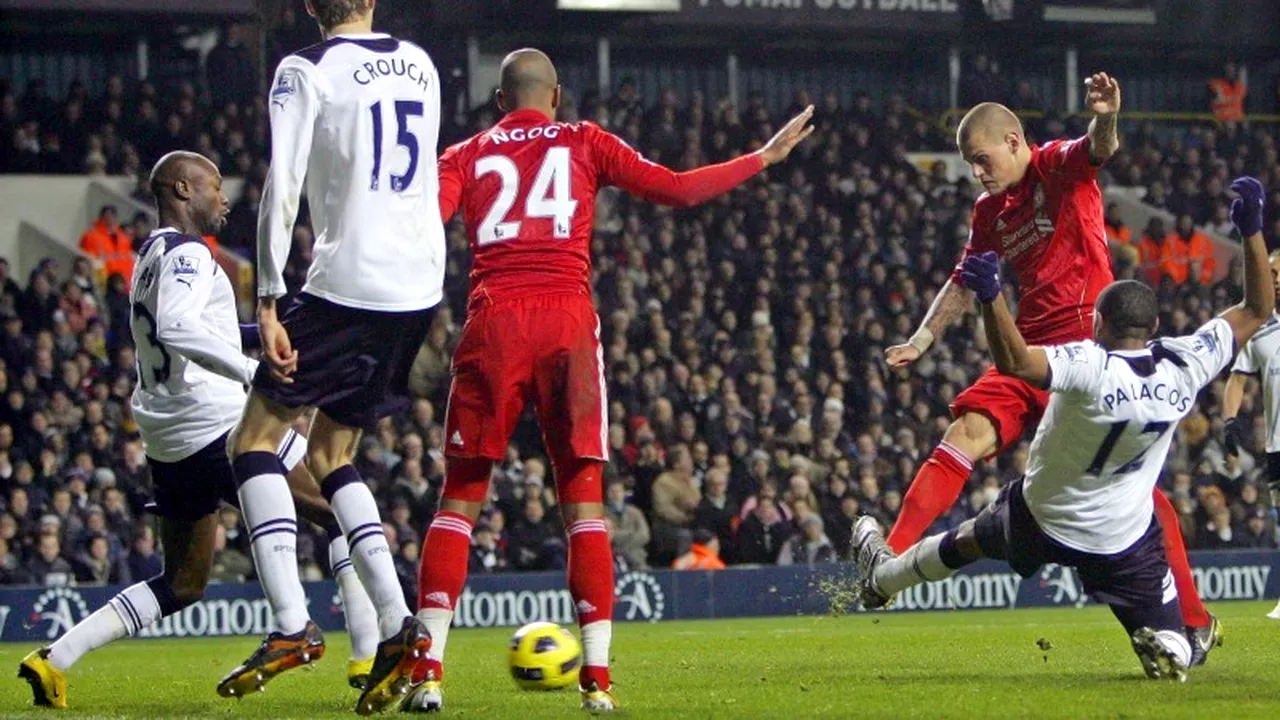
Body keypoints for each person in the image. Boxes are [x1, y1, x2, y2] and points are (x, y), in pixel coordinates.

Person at [407, 48, 812, 713]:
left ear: (502, 101)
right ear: (556, 95)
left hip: (494, 322)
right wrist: (759, 159)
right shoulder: (584, 139)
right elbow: (677, 189)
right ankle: (596, 682)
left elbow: (422, 227)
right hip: (567, 321)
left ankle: (428, 674)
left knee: (461, 497)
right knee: (584, 500)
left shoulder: (466, 153)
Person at [853, 176, 1270, 681]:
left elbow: (1015, 361)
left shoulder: (1087, 365)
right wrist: (1252, 233)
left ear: (1095, 326)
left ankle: (885, 574)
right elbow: (1256, 310)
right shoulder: (1185, 363)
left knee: (966, 541)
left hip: (1042, 517)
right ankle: (1172, 646)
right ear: (1155, 327)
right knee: (1175, 636)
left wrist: (993, 299)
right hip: (1122, 537)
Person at [16, 151, 377, 709]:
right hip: (217, 419)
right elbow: (180, 328)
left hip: (168, 435)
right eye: (213, 185)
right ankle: (357, 650)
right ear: (183, 189)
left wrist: (269, 331)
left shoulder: (152, 254)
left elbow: (198, 326)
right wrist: (254, 371)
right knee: (336, 509)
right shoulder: (189, 254)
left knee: (182, 584)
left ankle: (52, 659)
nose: (224, 197)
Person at [882, 75, 1220, 659]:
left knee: (1137, 497)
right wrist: (922, 337)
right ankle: (885, 565)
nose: (977, 172)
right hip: (1030, 354)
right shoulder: (989, 210)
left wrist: (1107, 115)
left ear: (1014, 142)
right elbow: (966, 279)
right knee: (965, 432)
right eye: (969, 163)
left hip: (1095, 351)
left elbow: (1099, 148)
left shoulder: (1055, 167)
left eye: (982, 159)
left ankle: (1193, 621)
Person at [228, 0, 444, 713]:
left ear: (311, 7)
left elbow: (281, 185)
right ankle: (397, 624)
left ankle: (291, 625)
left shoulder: (305, 69)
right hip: (417, 287)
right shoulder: (418, 63)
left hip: (350, 283)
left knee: (255, 440)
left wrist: (267, 297)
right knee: (331, 451)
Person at [1220, 248, 1280, 620]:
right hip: (1277, 443)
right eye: (1271, 271)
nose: (1274, 277)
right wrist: (1229, 422)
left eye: (1279, 271)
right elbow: (1237, 380)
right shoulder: (1260, 330)